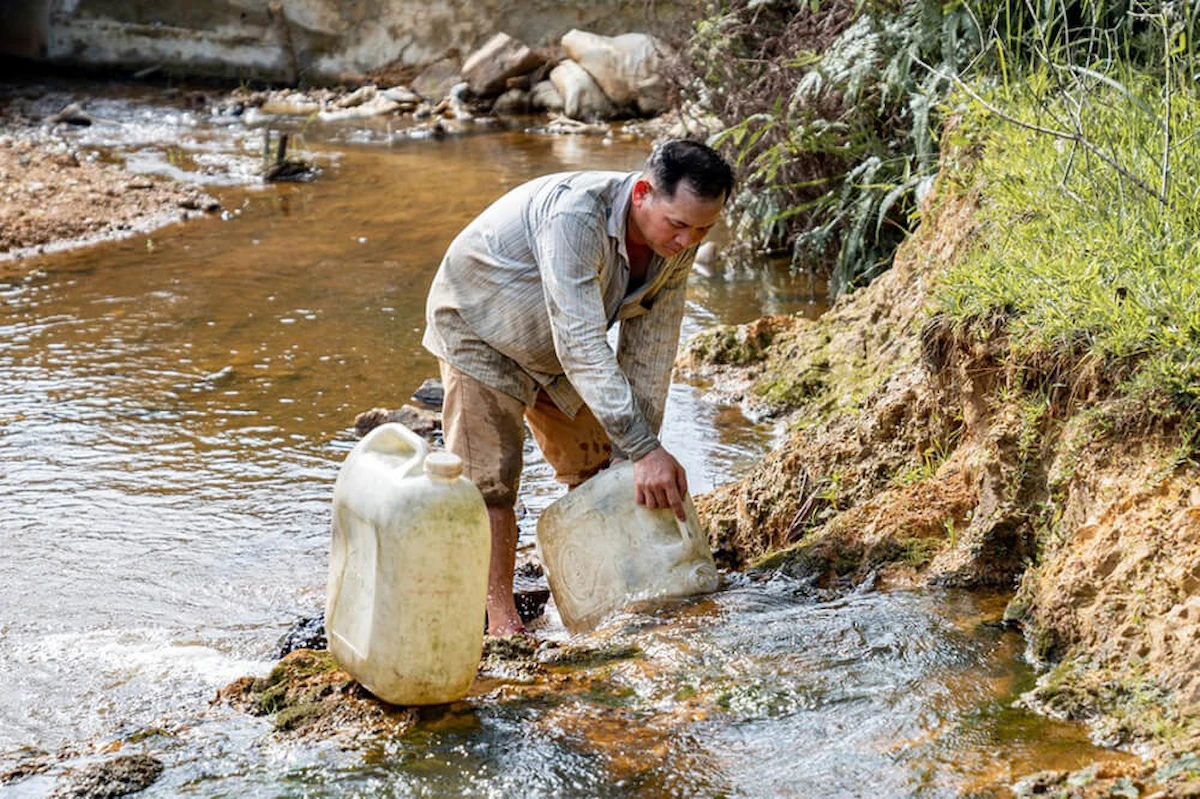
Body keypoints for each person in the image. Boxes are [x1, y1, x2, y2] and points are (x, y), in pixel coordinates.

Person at [422, 138, 735, 635]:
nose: (687, 241)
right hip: (480, 324)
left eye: (703, 229)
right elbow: (582, 344)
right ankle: (501, 623)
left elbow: (651, 351)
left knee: (601, 465)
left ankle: (602, 598)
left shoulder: (674, 247)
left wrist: (635, 453)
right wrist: (645, 450)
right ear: (642, 193)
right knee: (490, 482)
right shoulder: (576, 216)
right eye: (678, 225)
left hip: (556, 341)